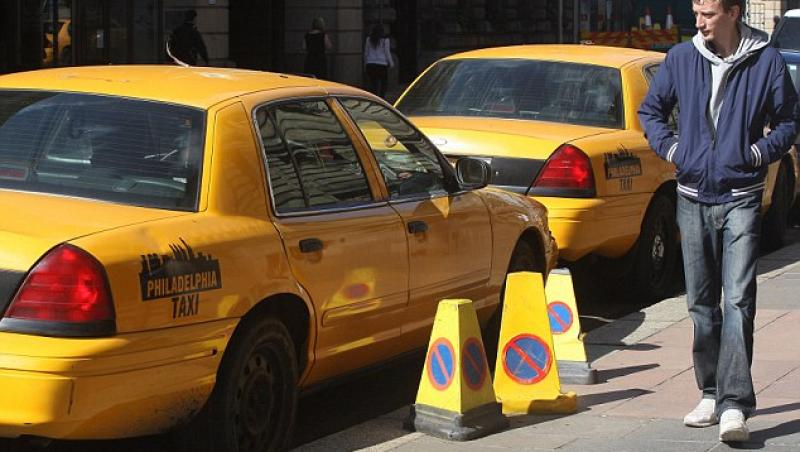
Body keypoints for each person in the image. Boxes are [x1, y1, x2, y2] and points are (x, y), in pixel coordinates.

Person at [638, 0, 799, 444]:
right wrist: (675, 152)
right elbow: (650, 112)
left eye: (707, 12)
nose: (698, 20)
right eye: (695, 10)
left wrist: (755, 155)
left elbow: (788, 122)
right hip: (691, 197)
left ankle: (733, 405)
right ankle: (709, 391)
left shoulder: (765, 59)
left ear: (732, 11)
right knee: (701, 304)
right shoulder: (681, 58)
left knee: (739, 299)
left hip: (741, 198)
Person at [364, 24, 394, 98]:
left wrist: (365, 63)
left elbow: (366, 53)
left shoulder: (368, 39)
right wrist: (391, 63)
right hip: (382, 64)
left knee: (373, 83)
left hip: (370, 63)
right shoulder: (385, 40)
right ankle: (381, 97)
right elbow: (387, 53)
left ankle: (373, 97)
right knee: (383, 83)